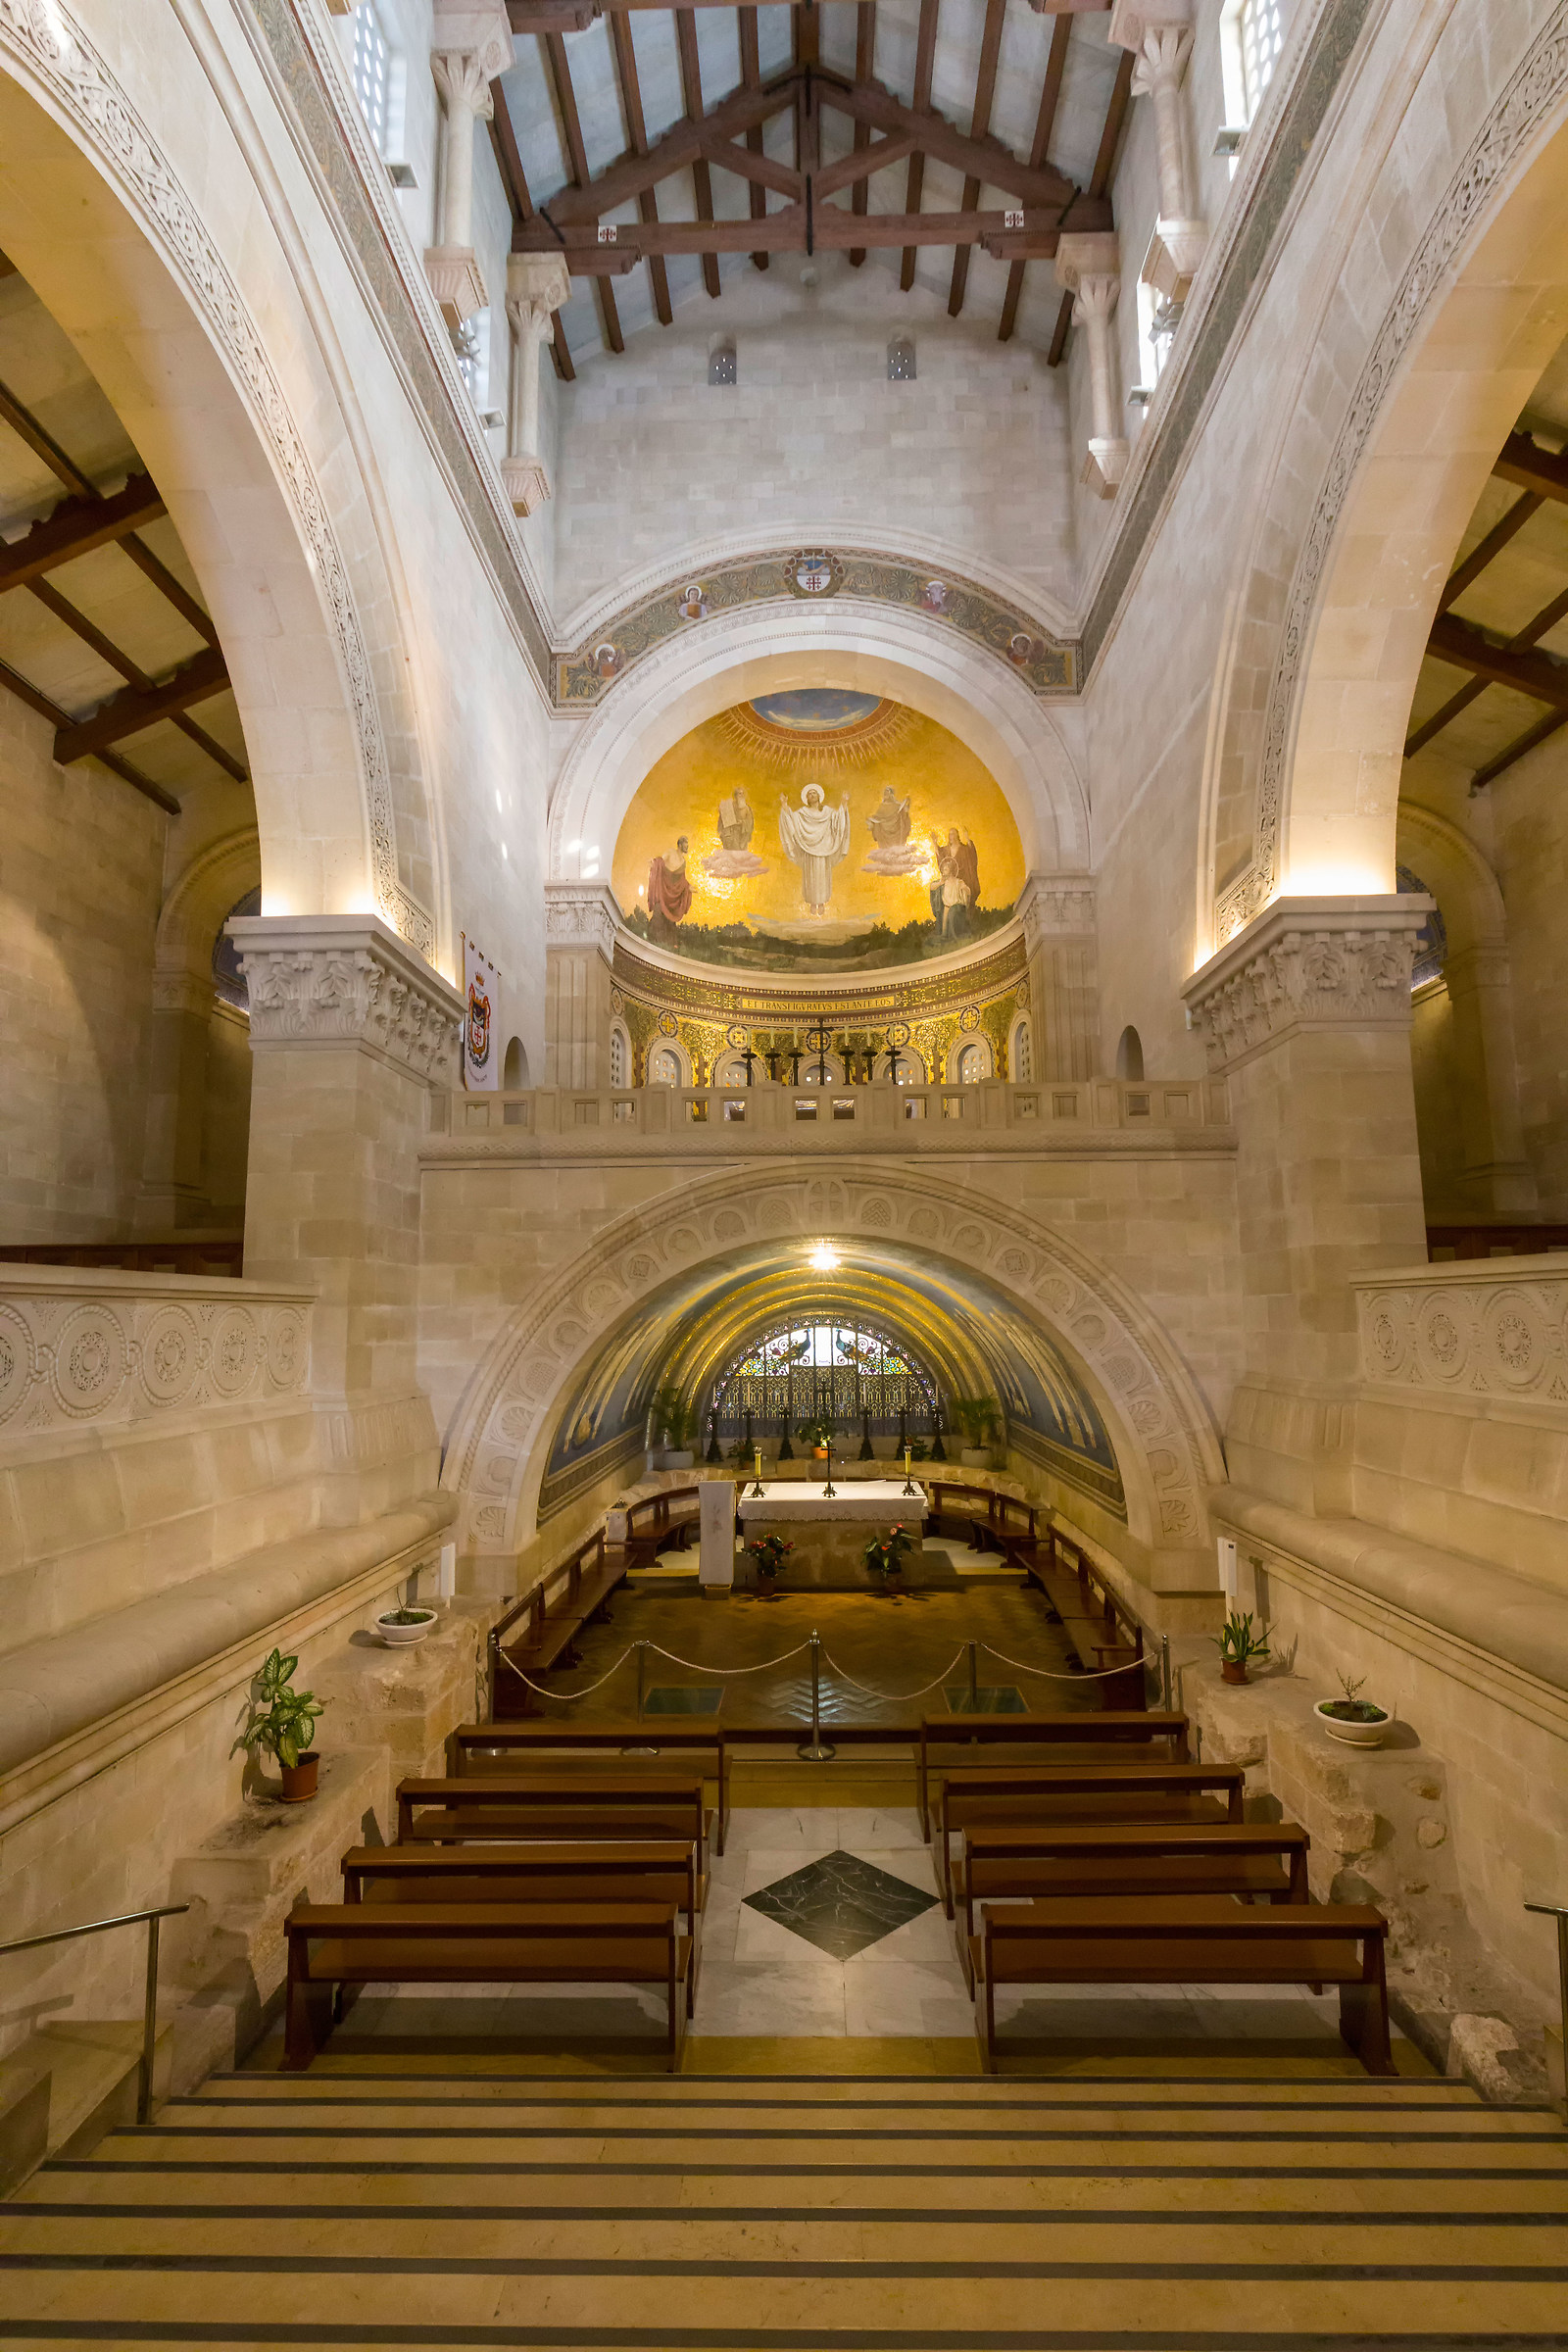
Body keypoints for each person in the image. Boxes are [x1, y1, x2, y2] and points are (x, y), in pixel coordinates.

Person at [778, 782, 850, 915]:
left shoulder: (827, 812)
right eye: (809, 794)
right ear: (806, 798)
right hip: (808, 850)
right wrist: (784, 805)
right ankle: (812, 903)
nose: (812, 795)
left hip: (824, 849)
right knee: (810, 876)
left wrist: (844, 803)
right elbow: (791, 820)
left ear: (819, 796)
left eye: (814, 793)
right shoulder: (802, 813)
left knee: (822, 876)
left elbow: (838, 820)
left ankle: (821, 903)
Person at [646, 837, 692, 942]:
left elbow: (682, 880)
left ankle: (668, 944)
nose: (687, 846)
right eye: (686, 844)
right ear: (680, 845)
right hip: (663, 890)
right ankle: (652, 940)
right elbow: (660, 861)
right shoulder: (671, 852)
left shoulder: (683, 862)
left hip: (673, 896)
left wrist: (688, 887)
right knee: (658, 916)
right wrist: (654, 863)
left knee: (670, 921)